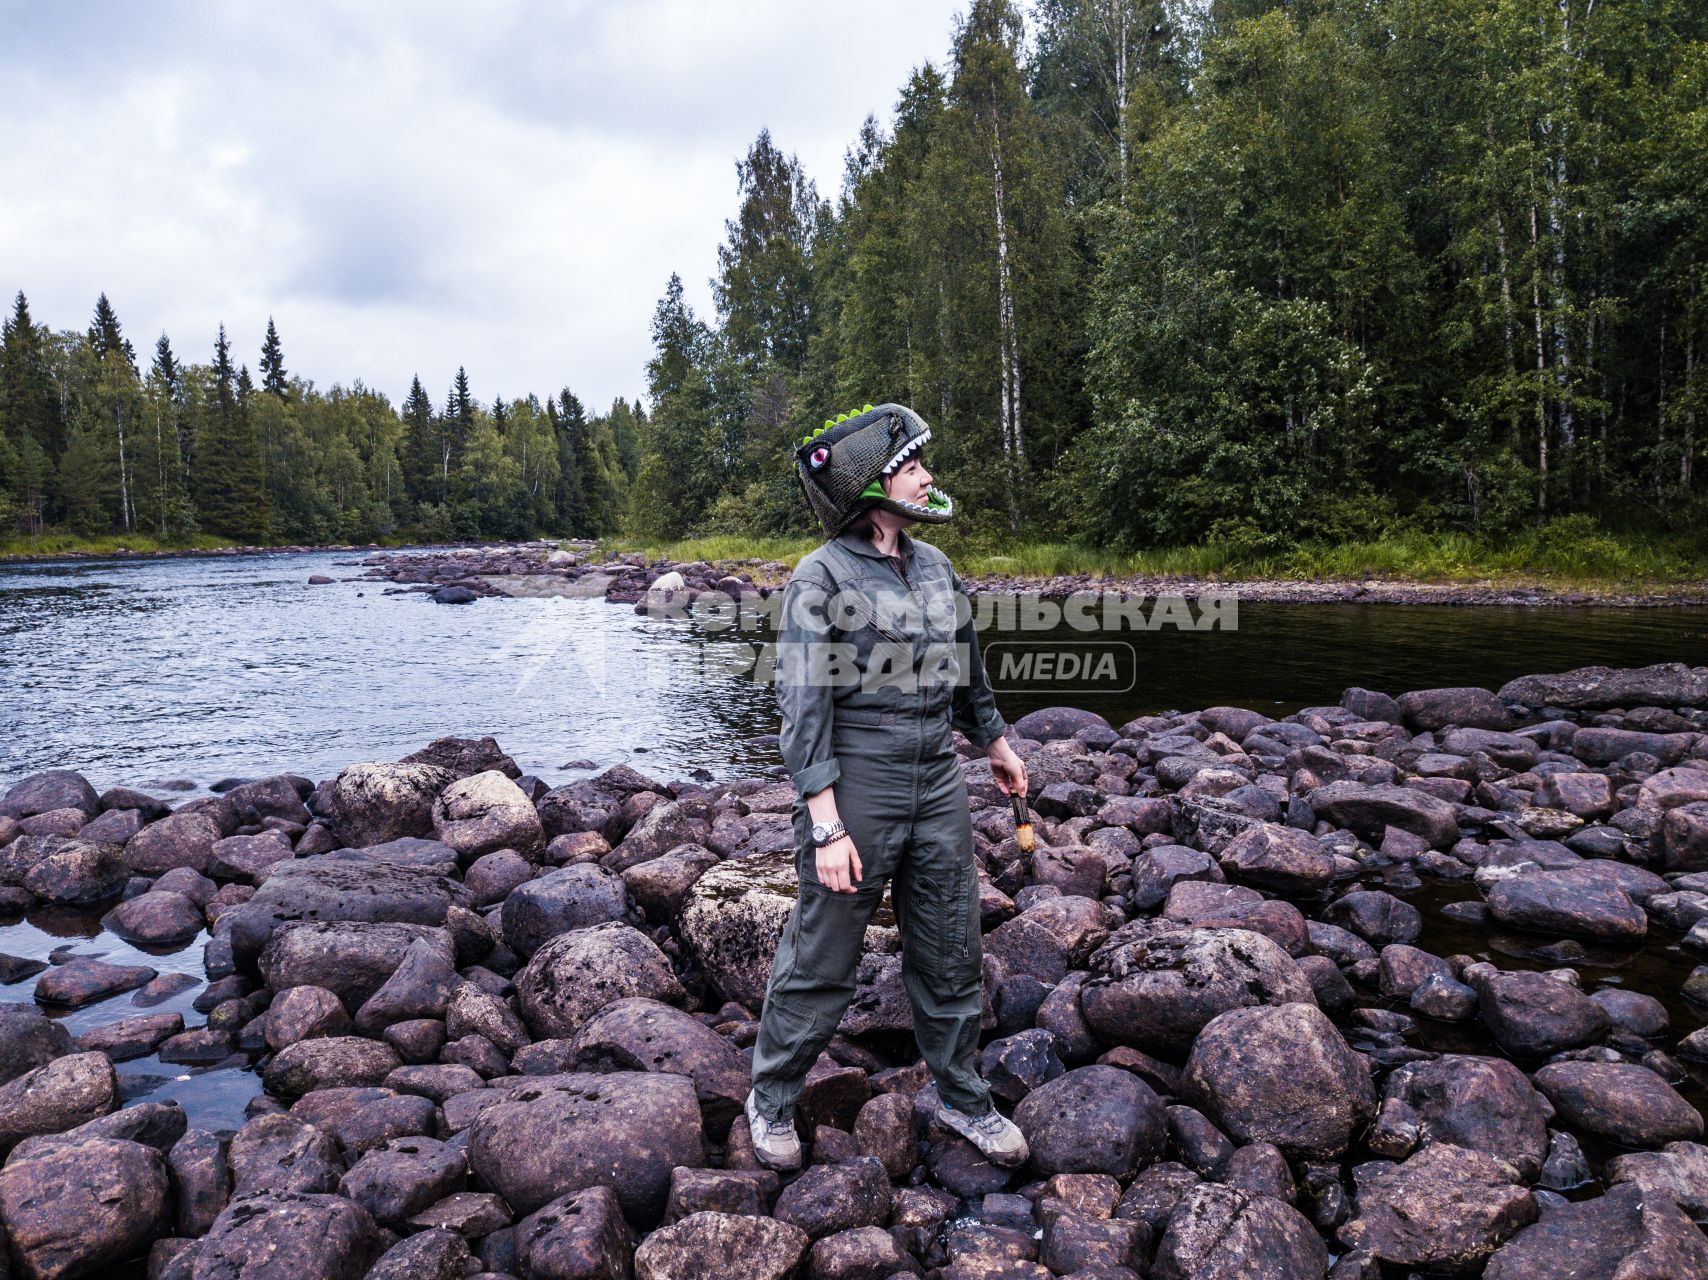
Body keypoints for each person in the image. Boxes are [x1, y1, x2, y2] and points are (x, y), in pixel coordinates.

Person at [744, 401, 1031, 1172]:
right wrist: (827, 826)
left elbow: (965, 667)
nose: (928, 477)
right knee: (823, 954)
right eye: (913, 467)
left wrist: (996, 742)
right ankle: (770, 1100)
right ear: (873, 486)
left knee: (949, 943)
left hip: (937, 776)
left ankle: (963, 1096)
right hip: (859, 779)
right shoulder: (821, 576)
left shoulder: (936, 567)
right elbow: (802, 708)